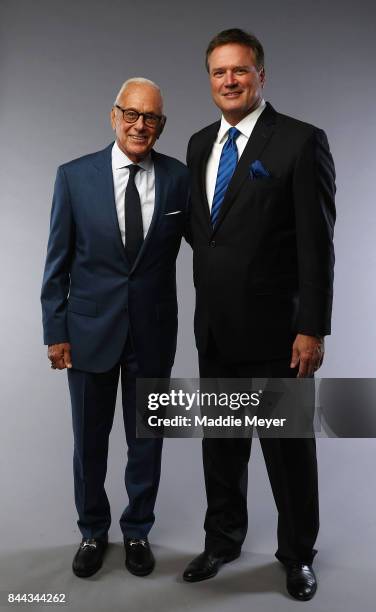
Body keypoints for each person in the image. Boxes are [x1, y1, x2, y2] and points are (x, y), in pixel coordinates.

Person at [183, 29, 336, 601]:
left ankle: (297, 555)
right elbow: (205, 235)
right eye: (219, 73)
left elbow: (316, 247)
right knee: (221, 447)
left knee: (289, 453)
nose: (229, 81)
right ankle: (222, 540)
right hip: (216, 331)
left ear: (260, 76)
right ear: (210, 79)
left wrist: (312, 327)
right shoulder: (200, 144)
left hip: (280, 334)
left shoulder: (299, 141)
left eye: (239, 71)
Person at [41, 77, 189, 578]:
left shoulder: (178, 179)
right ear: (114, 115)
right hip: (86, 333)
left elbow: (214, 250)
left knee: (147, 438)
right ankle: (91, 531)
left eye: (151, 118)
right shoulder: (74, 176)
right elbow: (55, 265)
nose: (140, 125)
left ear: (161, 125)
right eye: (132, 114)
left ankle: (138, 530)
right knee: (89, 440)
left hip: (152, 333)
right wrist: (55, 331)